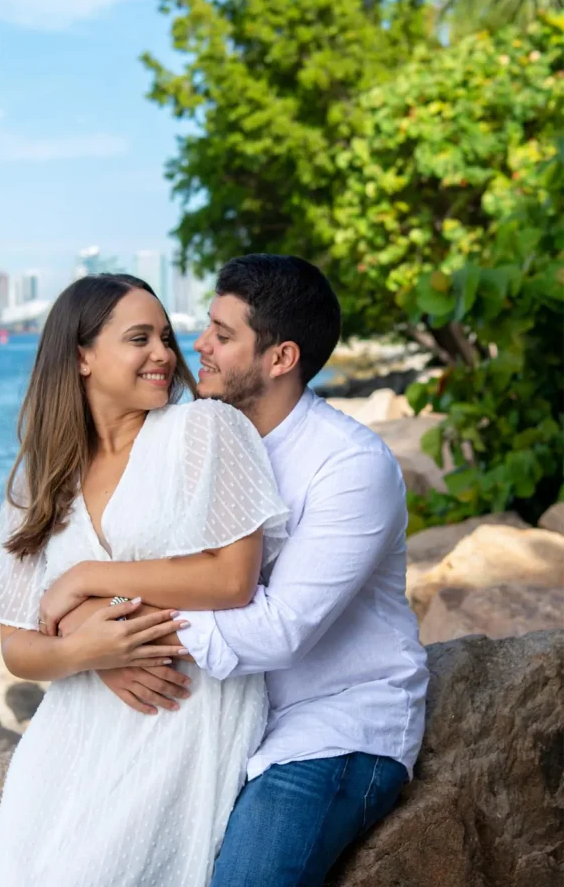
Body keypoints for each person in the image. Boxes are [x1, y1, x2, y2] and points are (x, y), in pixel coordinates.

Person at [51, 254, 429, 887]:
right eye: (207, 326)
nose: (195, 345)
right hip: (213, 717)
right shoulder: (187, 440)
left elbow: (281, 630)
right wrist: (92, 635)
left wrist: (112, 628)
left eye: (222, 335)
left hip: (329, 726)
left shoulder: (348, 466)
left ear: (280, 358)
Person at [0, 273, 289, 887]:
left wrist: (87, 580)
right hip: (72, 728)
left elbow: (232, 579)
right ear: (81, 357)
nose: (164, 354)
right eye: (139, 339)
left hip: (181, 706)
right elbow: (16, 646)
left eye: (166, 337)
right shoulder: (44, 476)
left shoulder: (204, 430)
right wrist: (88, 653)